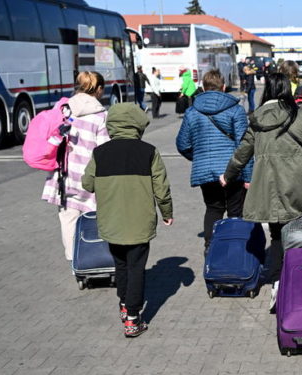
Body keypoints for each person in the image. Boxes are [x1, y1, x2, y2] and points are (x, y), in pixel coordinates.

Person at [220, 73, 302, 310]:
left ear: (266, 90)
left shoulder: (256, 120)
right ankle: (296, 284)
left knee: (277, 236)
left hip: (267, 187)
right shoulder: (300, 117)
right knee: (298, 235)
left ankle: (277, 283)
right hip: (297, 187)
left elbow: (242, 153)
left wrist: (227, 176)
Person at [82, 103, 173, 338]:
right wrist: (167, 212)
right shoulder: (149, 151)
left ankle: (124, 304)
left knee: (120, 264)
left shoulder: (100, 153)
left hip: (111, 222)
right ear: (138, 124)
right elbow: (161, 188)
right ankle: (133, 318)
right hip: (140, 221)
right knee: (136, 267)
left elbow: (87, 184)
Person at [176, 69, 253, 253]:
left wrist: (199, 158)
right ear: (224, 86)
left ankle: (210, 249)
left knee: (213, 209)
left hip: (206, 172)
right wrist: (249, 176)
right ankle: (236, 251)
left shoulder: (192, 111)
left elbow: (182, 144)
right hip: (233, 171)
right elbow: (245, 145)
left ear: (202, 87)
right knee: (235, 212)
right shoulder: (236, 110)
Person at [41, 71, 110, 261]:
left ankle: (74, 261)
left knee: (68, 218)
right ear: (98, 89)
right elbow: (104, 149)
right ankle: (94, 259)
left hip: (64, 176)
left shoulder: (63, 110)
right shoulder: (101, 115)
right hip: (90, 175)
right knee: (95, 217)